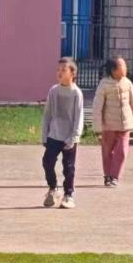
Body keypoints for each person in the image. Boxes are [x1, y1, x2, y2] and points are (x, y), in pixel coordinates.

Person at [41, 57, 84, 209]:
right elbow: (47, 114)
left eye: (63, 70)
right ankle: (53, 189)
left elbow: (79, 117)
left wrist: (74, 137)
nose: (59, 73)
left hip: (69, 137)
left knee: (69, 167)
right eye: (58, 70)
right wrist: (44, 134)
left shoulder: (76, 93)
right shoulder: (53, 91)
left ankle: (68, 195)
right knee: (47, 162)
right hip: (54, 135)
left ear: (72, 73)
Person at [92, 56, 133, 187]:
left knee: (122, 151)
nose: (125, 68)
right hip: (109, 125)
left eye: (125, 65)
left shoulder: (128, 83)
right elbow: (97, 106)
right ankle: (107, 175)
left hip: (125, 124)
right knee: (107, 151)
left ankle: (115, 176)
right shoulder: (104, 84)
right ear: (114, 70)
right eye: (122, 66)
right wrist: (97, 126)